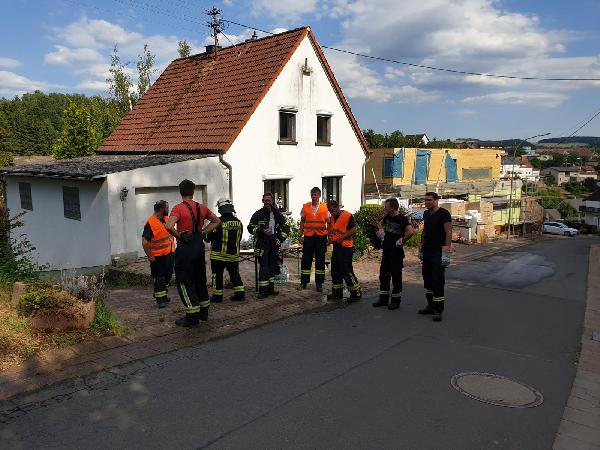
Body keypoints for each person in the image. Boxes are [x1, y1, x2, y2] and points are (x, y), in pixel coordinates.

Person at [166, 180, 220, 327]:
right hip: (199, 247)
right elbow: (216, 221)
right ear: (193, 191)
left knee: (184, 281)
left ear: (180, 192)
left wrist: (179, 235)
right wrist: (203, 231)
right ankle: (204, 312)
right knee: (199, 280)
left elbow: (169, 226)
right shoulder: (201, 207)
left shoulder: (178, 208)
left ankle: (192, 317)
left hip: (185, 248)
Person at [373, 198, 414, 310]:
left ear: (392, 207)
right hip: (386, 251)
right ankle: (383, 299)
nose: (384, 208)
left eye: (386, 207)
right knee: (383, 276)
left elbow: (410, 231)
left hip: (396, 253)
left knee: (396, 277)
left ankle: (395, 301)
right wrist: (381, 233)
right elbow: (380, 224)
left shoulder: (402, 219)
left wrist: (403, 240)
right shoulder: (387, 217)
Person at [248, 193, 289, 299]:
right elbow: (250, 228)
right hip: (262, 244)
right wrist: (261, 230)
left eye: (269, 200)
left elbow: (285, 228)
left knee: (272, 267)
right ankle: (263, 291)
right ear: (262, 201)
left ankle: (271, 289)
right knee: (264, 268)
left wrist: (280, 239)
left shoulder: (277, 214)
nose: (267, 202)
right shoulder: (257, 214)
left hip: (273, 244)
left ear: (272, 201)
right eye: (265, 200)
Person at [419, 191, 452, 322]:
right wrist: (421, 246)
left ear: (436, 200)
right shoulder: (426, 214)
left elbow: (449, 232)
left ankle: (438, 310)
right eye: (425, 200)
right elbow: (425, 231)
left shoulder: (444, 214)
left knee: (437, 280)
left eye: (429, 200)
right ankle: (430, 305)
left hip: (439, 252)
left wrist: (447, 251)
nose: (427, 202)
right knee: (427, 280)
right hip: (427, 251)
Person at [206, 198, 245, 303]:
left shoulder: (217, 222)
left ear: (220, 209)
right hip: (233, 256)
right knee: (234, 274)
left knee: (217, 276)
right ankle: (240, 294)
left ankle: (217, 297)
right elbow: (239, 238)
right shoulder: (239, 222)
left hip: (218, 256)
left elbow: (208, 238)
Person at [141, 200, 175, 308]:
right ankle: (160, 299)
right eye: (167, 208)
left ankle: (163, 294)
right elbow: (145, 242)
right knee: (159, 278)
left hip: (169, 253)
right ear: (161, 209)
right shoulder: (150, 223)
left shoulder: (166, 219)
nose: (168, 209)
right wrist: (150, 256)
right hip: (158, 257)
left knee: (168, 276)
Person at [326, 200, 361, 302]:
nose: (331, 213)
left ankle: (356, 293)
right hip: (337, 247)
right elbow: (332, 231)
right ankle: (337, 293)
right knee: (335, 270)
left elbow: (353, 230)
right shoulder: (332, 218)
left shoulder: (347, 215)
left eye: (333, 211)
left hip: (346, 247)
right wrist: (330, 239)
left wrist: (342, 237)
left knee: (347, 271)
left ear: (338, 207)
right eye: (330, 211)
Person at [298, 187, 329, 292]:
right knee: (306, 259)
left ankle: (319, 284)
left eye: (315, 194)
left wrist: (330, 236)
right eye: (312, 194)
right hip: (308, 236)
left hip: (321, 237)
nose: (313, 196)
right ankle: (304, 282)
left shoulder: (325, 207)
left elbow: (329, 222)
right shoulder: (305, 207)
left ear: (319, 195)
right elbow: (302, 221)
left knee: (320, 260)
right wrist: (300, 235)